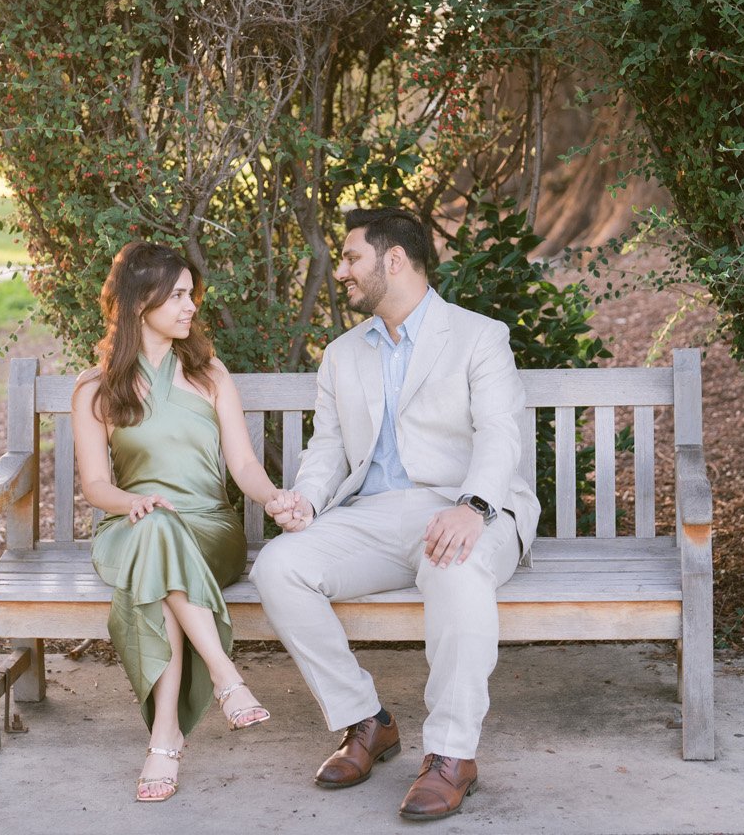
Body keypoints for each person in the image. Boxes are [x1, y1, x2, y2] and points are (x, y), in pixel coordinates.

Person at [251, 207, 538, 821]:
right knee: (278, 567)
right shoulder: (342, 354)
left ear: (395, 260)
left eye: (352, 258)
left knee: (456, 567)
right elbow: (329, 448)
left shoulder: (478, 336)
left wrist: (473, 506)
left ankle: (452, 755)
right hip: (375, 515)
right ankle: (365, 721)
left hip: (465, 506)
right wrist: (307, 500)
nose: (342, 272)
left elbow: (499, 433)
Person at [72, 242, 281, 803]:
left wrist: (273, 498)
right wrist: (131, 503)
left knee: (164, 551)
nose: (191, 307)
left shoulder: (209, 376)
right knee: (158, 533)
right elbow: (96, 486)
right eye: (179, 296)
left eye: (192, 295)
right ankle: (225, 677)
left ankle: (166, 737)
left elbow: (243, 466)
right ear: (141, 302)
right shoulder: (95, 388)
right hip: (131, 528)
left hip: (209, 531)